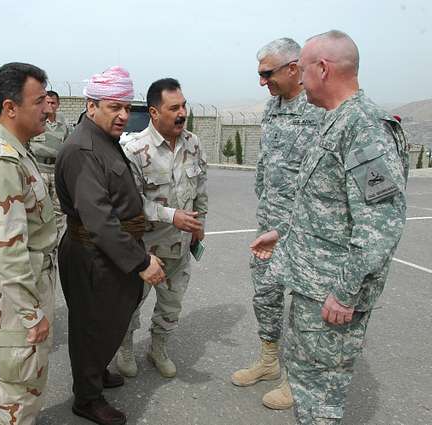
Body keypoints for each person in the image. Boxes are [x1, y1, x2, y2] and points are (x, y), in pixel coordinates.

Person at [251, 30, 408, 424]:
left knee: (320, 399)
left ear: (322, 68)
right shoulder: (336, 121)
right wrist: (283, 233)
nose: (300, 79)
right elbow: (327, 206)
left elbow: (380, 225)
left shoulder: (364, 128)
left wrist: (344, 291)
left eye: (302, 70)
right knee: (306, 388)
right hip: (311, 287)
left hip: (330, 298)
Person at [55, 66, 166, 425]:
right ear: (91, 106)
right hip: (93, 254)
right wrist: (140, 261)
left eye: (126, 107)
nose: (122, 115)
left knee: (107, 322)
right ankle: (87, 399)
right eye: (113, 107)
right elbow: (99, 220)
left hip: (107, 252)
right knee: (92, 326)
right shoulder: (84, 148)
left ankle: (96, 372)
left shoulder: (103, 140)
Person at [230, 38, 324, 411]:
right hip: (269, 224)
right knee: (265, 296)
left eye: (266, 73)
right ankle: (269, 362)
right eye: (259, 74)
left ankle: (295, 379)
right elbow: (266, 166)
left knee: (303, 306)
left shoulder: (318, 109)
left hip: (303, 230)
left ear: (293, 68)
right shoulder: (272, 108)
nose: (262, 81)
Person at [0, 62, 57, 425]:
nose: (47, 108)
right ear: (10, 107)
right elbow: (7, 248)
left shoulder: (15, 148)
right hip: (17, 293)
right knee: (20, 389)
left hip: (20, 286)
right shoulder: (2, 159)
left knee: (10, 383)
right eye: (39, 101)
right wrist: (32, 313)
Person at [119, 78, 208, 379]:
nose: (182, 113)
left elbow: (201, 187)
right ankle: (126, 347)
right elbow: (130, 202)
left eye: (184, 105)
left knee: (171, 306)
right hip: (145, 250)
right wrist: (172, 215)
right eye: (174, 108)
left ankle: (158, 348)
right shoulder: (134, 149)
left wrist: (200, 224)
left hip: (180, 247)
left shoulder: (193, 143)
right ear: (155, 113)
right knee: (131, 305)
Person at [29, 90, 70, 235]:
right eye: (48, 102)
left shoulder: (63, 123)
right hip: (39, 170)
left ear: (58, 104)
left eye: (53, 102)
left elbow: (68, 145)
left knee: (59, 209)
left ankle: (57, 241)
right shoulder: (36, 121)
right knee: (39, 207)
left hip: (56, 171)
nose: (50, 105)